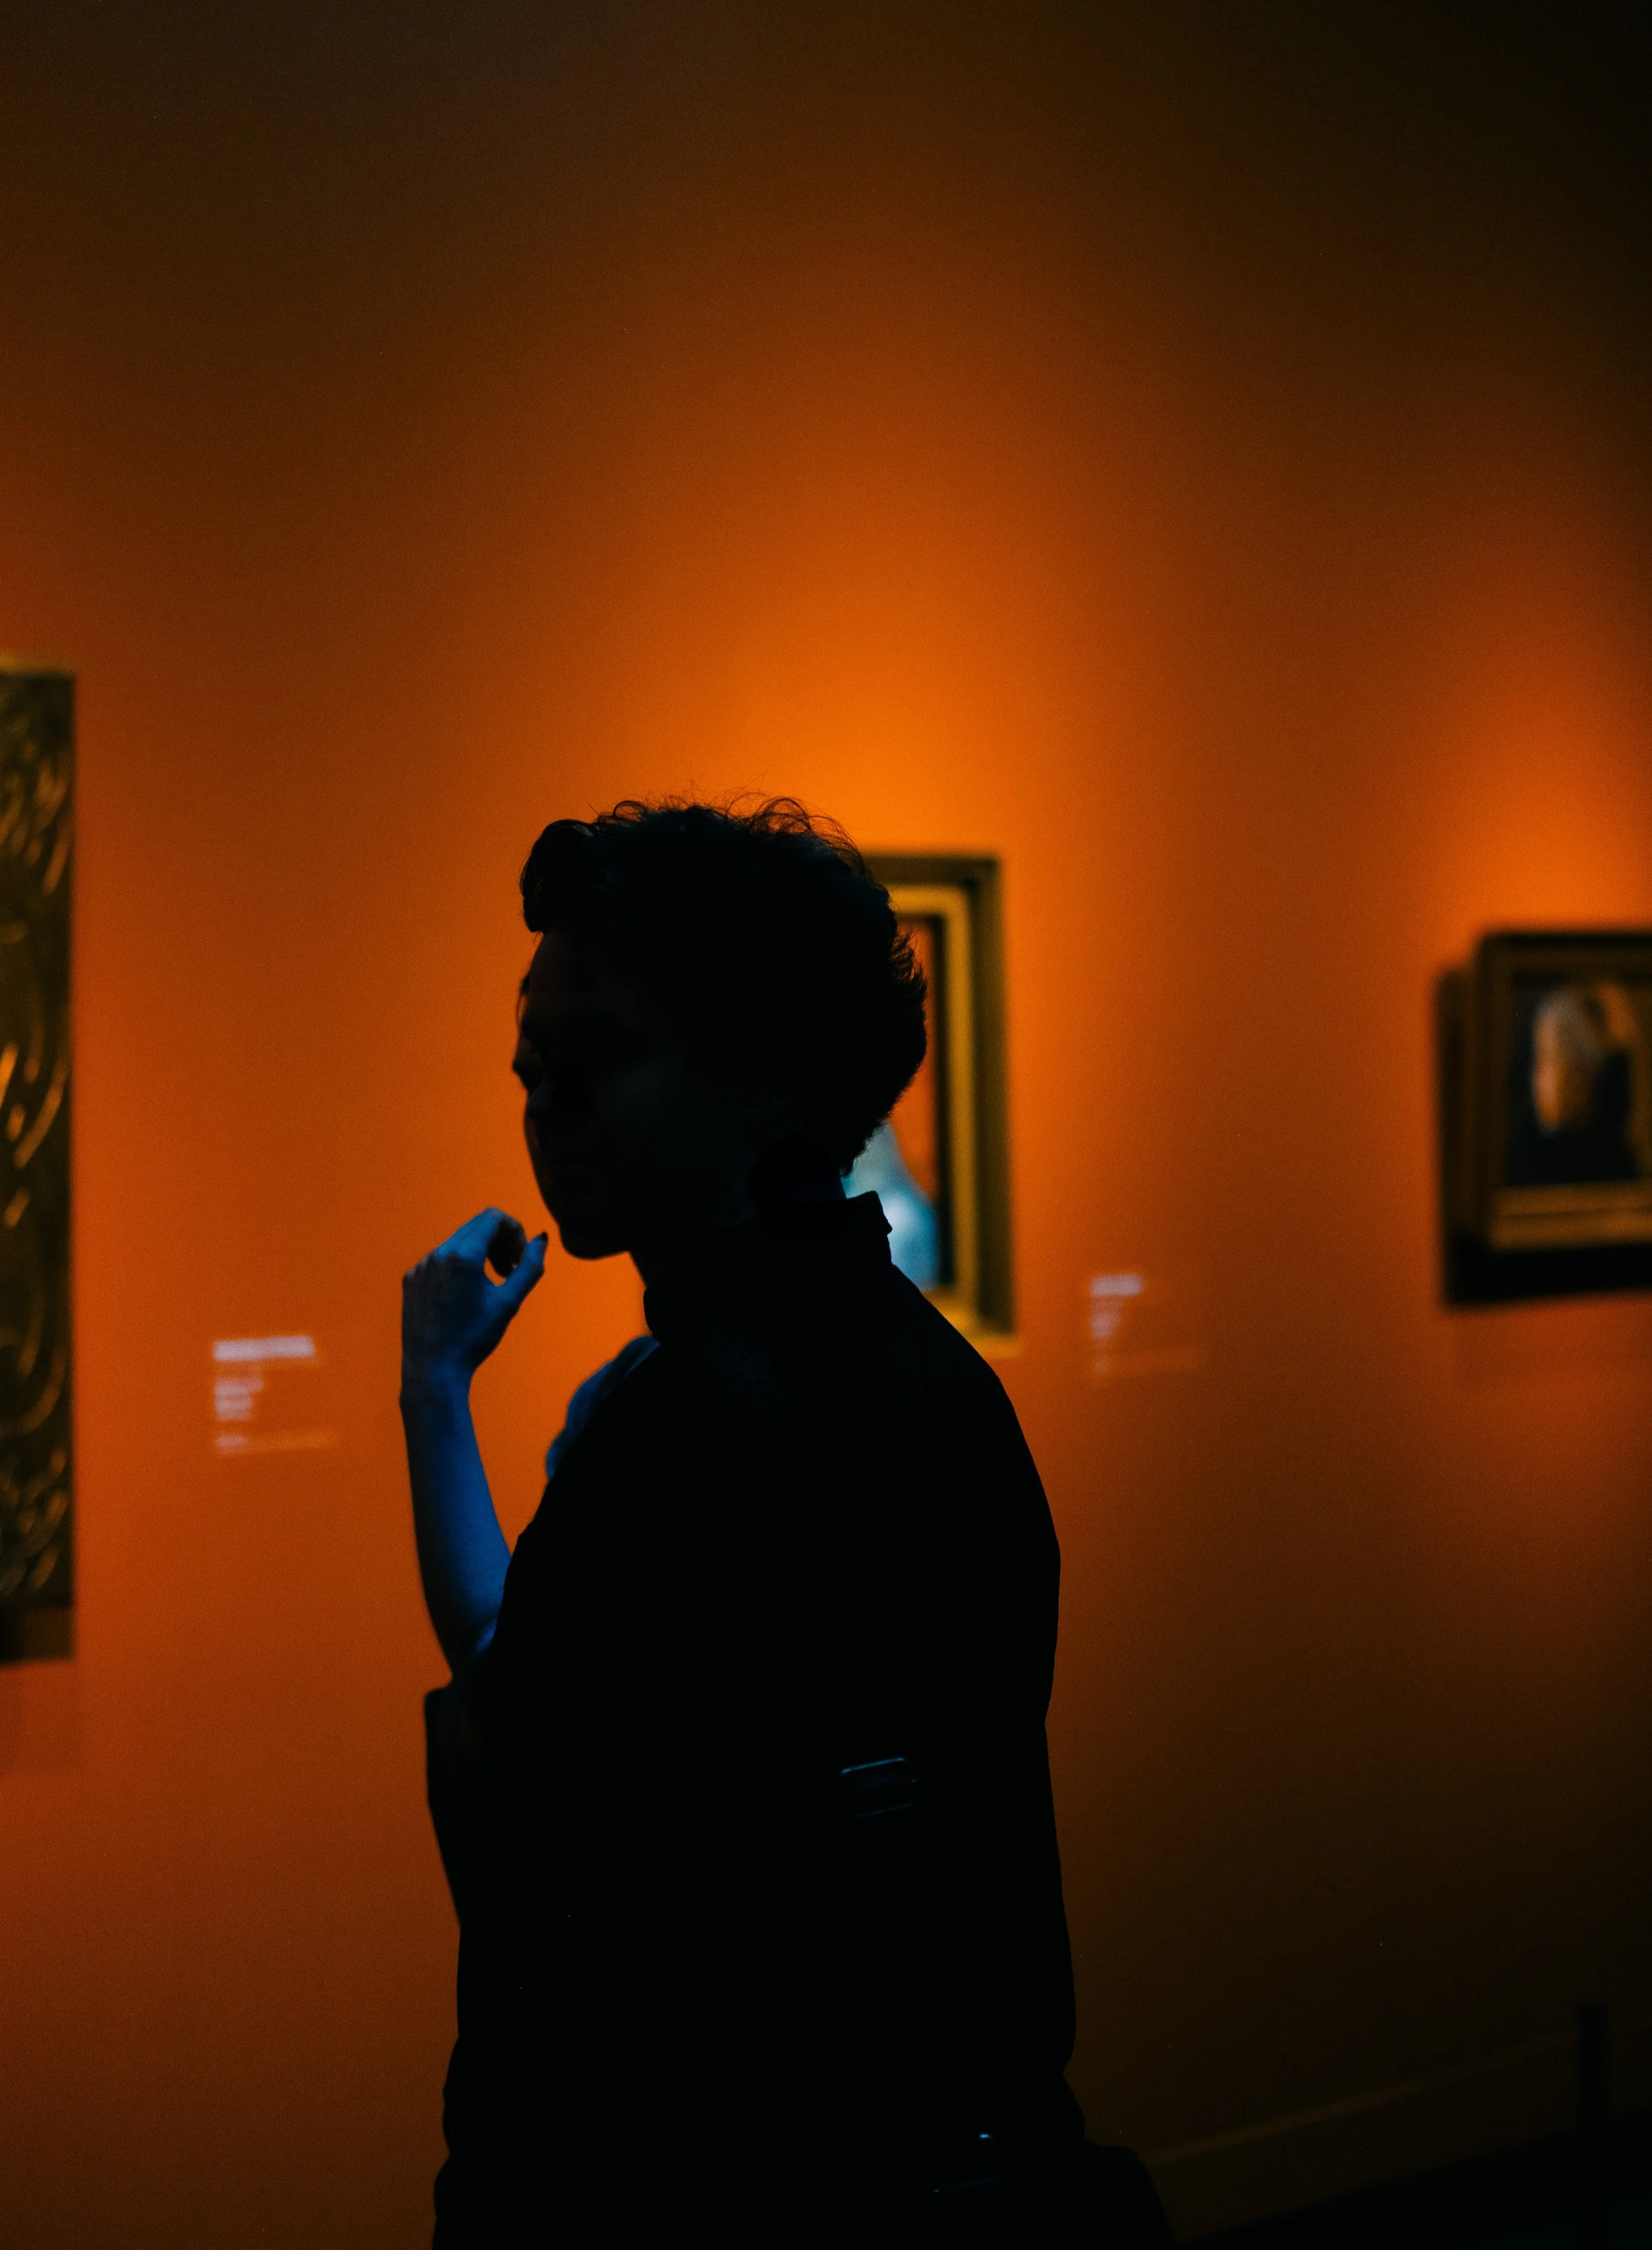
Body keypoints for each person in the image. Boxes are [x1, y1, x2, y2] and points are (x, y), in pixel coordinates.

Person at [400, 798, 1167, 2246]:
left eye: (597, 1053)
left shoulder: (694, 1422)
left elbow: (533, 1798)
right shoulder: (930, 1377)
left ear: (763, 1075)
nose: (546, 1099)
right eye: (531, 1062)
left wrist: (434, 1387)